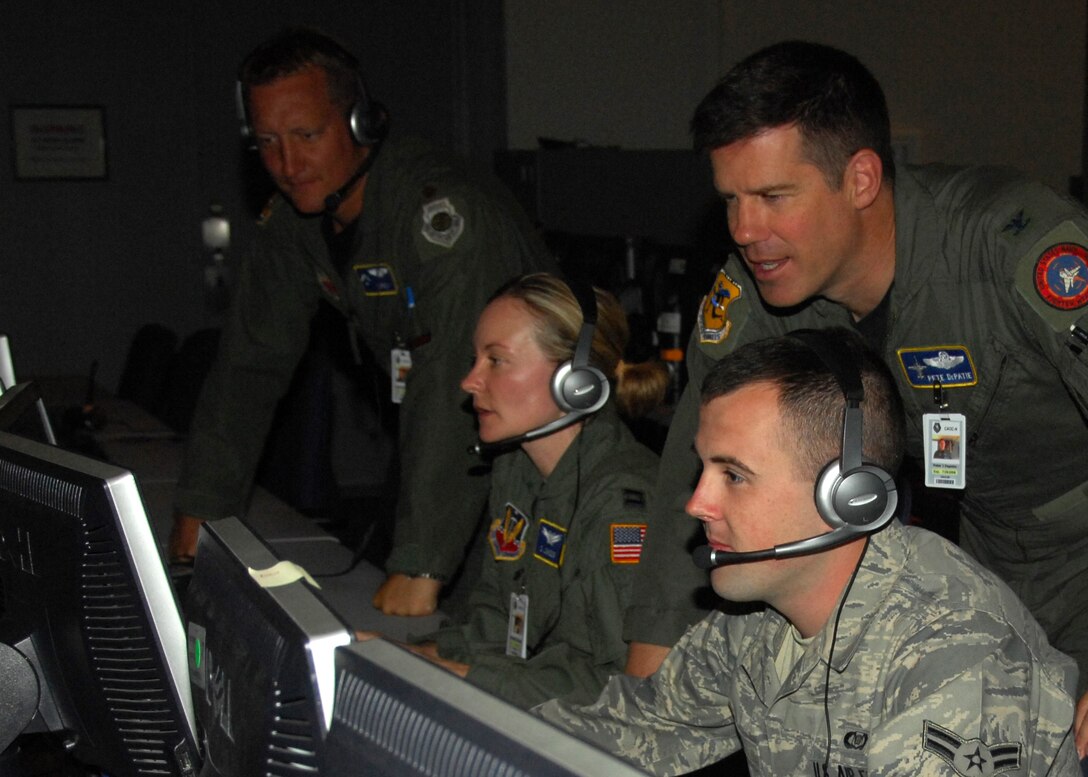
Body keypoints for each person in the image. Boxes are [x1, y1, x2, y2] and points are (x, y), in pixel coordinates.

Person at [623, 39, 1088, 730]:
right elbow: (691, 485)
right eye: (731, 200)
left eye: (775, 196)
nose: (746, 231)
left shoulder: (1008, 247)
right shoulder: (755, 298)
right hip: (967, 570)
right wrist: (649, 683)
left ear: (862, 178)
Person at [537, 328, 1078, 775]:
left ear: (849, 498)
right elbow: (633, 728)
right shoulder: (753, 616)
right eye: (703, 469)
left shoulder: (954, 651)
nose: (697, 503)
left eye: (733, 475)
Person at [167, 27, 556, 616]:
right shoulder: (300, 221)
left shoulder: (445, 219)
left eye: (307, 135)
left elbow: (453, 385)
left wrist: (421, 562)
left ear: (361, 124)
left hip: (541, 467)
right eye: (268, 142)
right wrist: (200, 511)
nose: (288, 164)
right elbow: (248, 367)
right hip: (455, 460)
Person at [357, 273, 666, 709]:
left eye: (496, 361)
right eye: (474, 359)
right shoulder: (515, 471)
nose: (469, 381)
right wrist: (417, 655)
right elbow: (497, 625)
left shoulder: (623, 506)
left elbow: (627, 690)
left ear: (575, 382)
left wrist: (463, 675)